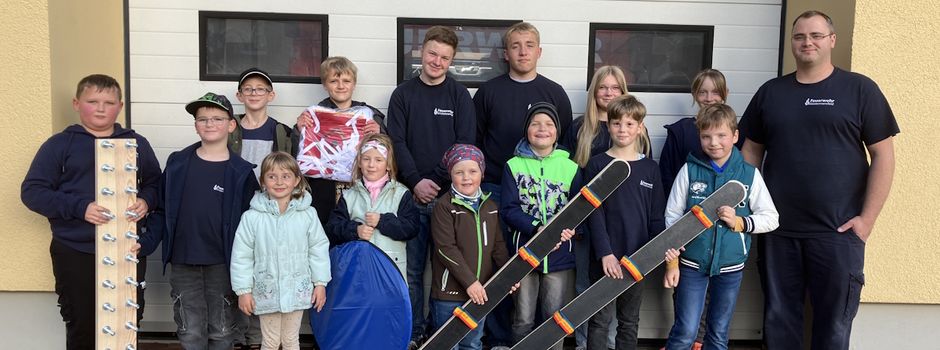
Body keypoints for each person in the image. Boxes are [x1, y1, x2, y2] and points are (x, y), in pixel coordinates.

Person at [739, 10, 898, 350]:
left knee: (834, 328)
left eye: (815, 35)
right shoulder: (771, 92)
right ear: (792, 43)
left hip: (838, 234)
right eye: (799, 37)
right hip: (778, 232)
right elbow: (750, 152)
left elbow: (883, 155)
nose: (807, 42)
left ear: (831, 40)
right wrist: (750, 210)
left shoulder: (859, 89)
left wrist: (866, 221)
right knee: (779, 322)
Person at [21, 74, 160, 350]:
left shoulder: (137, 144)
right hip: (75, 251)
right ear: (76, 103)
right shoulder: (60, 145)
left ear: (120, 106)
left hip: (125, 249)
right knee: (82, 324)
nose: (100, 108)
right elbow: (32, 191)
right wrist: (79, 208)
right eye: (92, 101)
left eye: (108, 102)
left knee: (126, 324)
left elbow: (157, 185)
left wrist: (146, 200)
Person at [134, 92, 260, 350]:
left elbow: (254, 225)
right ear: (195, 125)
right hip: (184, 261)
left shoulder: (241, 172)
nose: (210, 124)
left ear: (231, 124)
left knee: (223, 330)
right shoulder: (178, 163)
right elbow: (159, 208)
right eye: (203, 119)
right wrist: (145, 243)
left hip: (224, 264)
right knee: (189, 330)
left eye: (217, 118)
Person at [473, 24, 574, 345]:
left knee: (537, 279)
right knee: (502, 268)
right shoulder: (489, 91)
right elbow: (475, 141)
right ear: (506, 53)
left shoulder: (554, 92)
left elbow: (566, 142)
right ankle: (502, 340)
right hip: (496, 188)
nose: (522, 51)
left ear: (539, 51)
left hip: (545, 193)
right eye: (515, 45)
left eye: (529, 45)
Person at [386, 26, 476, 348]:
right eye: (432, 54)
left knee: (447, 271)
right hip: (409, 197)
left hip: (448, 200)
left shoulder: (459, 96)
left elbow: (463, 144)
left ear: (451, 61)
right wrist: (415, 180)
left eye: (444, 57)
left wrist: (436, 180)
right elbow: (395, 141)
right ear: (421, 52)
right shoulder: (403, 95)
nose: (437, 61)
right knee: (411, 271)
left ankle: (444, 334)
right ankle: (413, 334)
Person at [662, 104, 779, 350]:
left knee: (718, 334)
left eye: (721, 135)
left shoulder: (749, 175)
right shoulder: (689, 171)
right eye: (706, 136)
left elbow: (771, 218)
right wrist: (673, 259)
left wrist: (741, 222)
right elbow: (672, 216)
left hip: (730, 267)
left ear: (735, 136)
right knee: (686, 330)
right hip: (692, 265)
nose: (714, 142)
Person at [560, 65, 642, 350]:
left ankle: (610, 344)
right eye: (603, 87)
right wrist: (576, 222)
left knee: (623, 291)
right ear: (594, 92)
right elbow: (571, 178)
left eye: (615, 88)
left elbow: (643, 178)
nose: (608, 93)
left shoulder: (633, 129)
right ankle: (586, 344)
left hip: (624, 225)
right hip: (588, 222)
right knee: (587, 287)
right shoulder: (580, 128)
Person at [584, 95, 664, 350]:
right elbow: (592, 214)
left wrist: (652, 255)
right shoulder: (597, 164)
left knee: (629, 321)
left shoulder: (650, 168)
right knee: (600, 320)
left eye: (630, 124)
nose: (623, 129)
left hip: (637, 259)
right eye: (617, 123)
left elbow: (656, 217)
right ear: (608, 126)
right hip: (604, 259)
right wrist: (605, 253)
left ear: (640, 127)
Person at [229, 151, 331, 350]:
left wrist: (320, 283)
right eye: (272, 176)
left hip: (296, 289)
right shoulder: (252, 217)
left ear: (296, 180)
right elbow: (242, 256)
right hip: (267, 290)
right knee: (271, 341)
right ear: (263, 181)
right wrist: (243, 291)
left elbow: (318, 249)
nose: (279, 182)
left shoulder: (307, 214)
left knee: (292, 340)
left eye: (286, 176)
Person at [500, 102, 581, 350]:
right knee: (522, 318)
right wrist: (536, 227)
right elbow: (509, 209)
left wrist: (571, 228)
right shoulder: (513, 165)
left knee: (553, 319)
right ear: (526, 131)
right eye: (535, 124)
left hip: (558, 256)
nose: (542, 129)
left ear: (557, 131)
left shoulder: (571, 166)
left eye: (548, 124)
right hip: (525, 254)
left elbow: (580, 210)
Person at [227, 67, 294, 350]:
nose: (254, 93)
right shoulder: (230, 128)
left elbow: (291, 171)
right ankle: (237, 336)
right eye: (249, 89)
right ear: (239, 95)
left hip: (269, 213)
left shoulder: (281, 132)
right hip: (234, 210)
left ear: (271, 95)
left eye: (261, 89)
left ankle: (257, 339)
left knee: (265, 271)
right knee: (239, 268)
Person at [295, 56, 386, 225]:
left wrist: (380, 134)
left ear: (354, 84)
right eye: (334, 81)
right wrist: (300, 132)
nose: (341, 86)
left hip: (360, 188)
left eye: (346, 80)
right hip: (323, 190)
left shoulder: (369, 115)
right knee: (325, 234)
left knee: (357, 233)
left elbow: (387, 154)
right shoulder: (313, 116)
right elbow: (299, 158)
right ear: (325, 84)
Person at [326, 133, 420, 276]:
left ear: (388, 165)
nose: (371, 165)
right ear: (359, 162)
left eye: (378, 160)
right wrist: (355, 230)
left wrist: (382, 221)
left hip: (390, 273)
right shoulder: (349, 195)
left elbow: (411, 228)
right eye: (366, 159)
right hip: (357, 272)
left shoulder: (401, 194)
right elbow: (332, 228)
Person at [659, 68, 730, 194]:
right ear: (694, 94)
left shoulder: (731, 130)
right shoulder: (680, 131)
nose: (709, 98)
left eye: (715, 92)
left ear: (725, 93)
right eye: (702, 92)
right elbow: (666, 174)